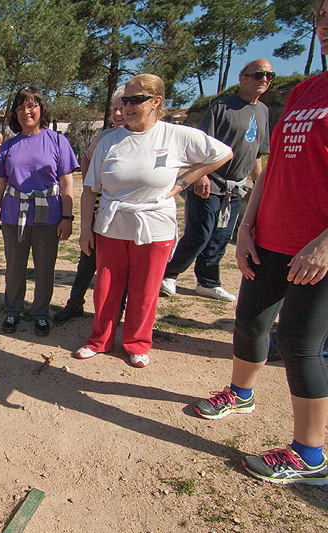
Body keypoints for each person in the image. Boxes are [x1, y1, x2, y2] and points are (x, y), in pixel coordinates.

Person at [194, 2, 328, 485]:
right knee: (251, 320)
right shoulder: (306, 90)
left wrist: (325, 244)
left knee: (299, 344)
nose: (325, 26)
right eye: (321, 16)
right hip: (270, 236)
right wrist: (248, 225)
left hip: (318, 250)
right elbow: (273, 168)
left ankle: (310, 456)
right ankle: (241, 393)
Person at [76, 74, 232, 368]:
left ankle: (137, 343)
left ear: (156, 101)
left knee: (145, 288)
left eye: (135, 100)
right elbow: (89, 189)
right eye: (125, 100)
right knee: (106, 288)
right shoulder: (109, 141)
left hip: (155, 225)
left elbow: (223, 153)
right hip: (111, 224)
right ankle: (99, 340)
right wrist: (85, 229)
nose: (127, 106)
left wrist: (184, 181)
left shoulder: (176, 135)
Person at [160, 59, 272, 302]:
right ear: (242, 79)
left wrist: (260, 186)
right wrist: (201, 175)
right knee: (200, 233)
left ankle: (208, 282)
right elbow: (199, 146)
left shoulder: (263, 111)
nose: (264, 79)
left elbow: (257, 154)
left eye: (269, 76)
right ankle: (168, 274)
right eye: (258, 75)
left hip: (236, 187)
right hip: (210, 182)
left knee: (222, 235)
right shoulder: (222, 107)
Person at [0, 87, 78, 336]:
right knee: (14, 268)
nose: (25, 112)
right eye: (20, 108)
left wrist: (67, 217)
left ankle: (40, 314)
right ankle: (12, 311)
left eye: (31, 106)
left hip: (48, 218)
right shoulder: (7, 147)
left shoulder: (57, 141)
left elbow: (67, 183)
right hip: (13, 217)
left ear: (41, 108)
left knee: (44, 269)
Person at [55, 86, 126, 324]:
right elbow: (86, 157)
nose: (117, 114)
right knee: (87, 260)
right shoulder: (104, 137)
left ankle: (117, 312)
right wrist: (90, 185)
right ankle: (74, 303)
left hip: (126, 216)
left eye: (122, 108)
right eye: (114, 109)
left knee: (121, 268)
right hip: (100, 210)